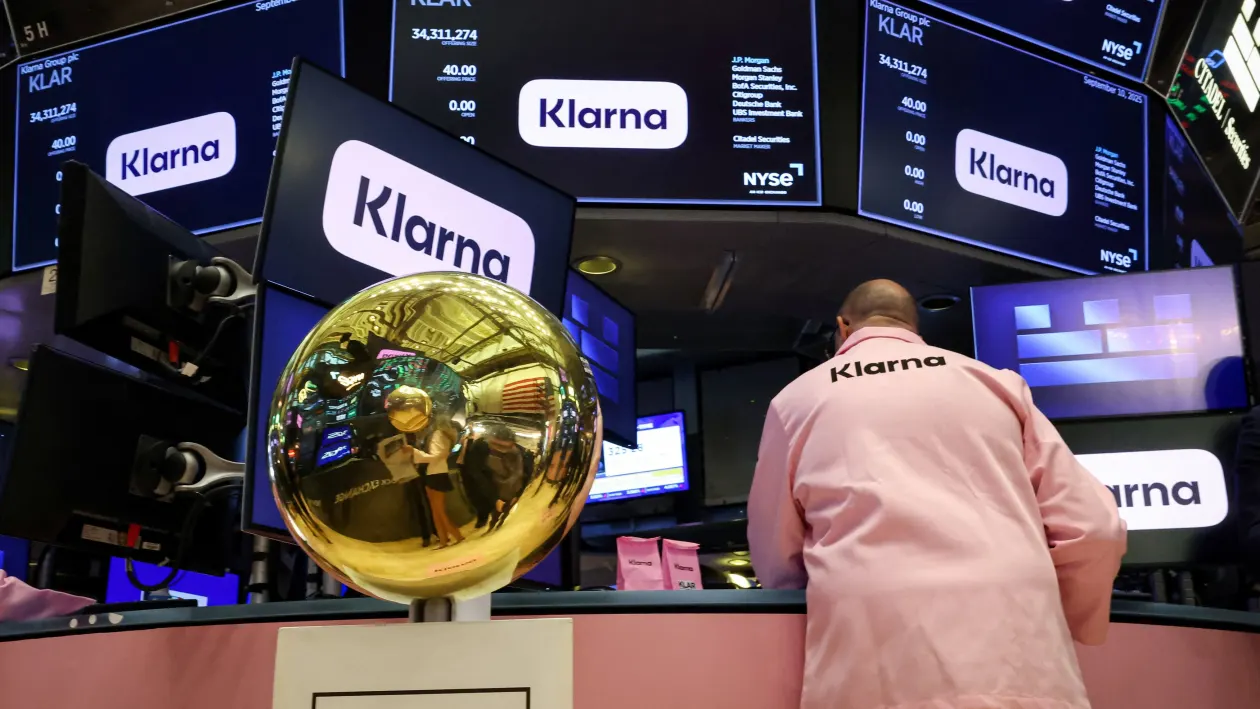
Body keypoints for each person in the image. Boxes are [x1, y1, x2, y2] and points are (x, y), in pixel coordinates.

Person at [748, 279, 1127, 709]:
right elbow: (1095, 528)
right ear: (913, 326)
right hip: (1020, 653)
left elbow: (775, 548)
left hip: (871, 657)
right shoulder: (995, 384)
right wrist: (1064, 618)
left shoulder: (796, 400)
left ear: (842, 327)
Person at [412, 415, 465, 548]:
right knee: (436, 510)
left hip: (435, 473)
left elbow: (435, 456)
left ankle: (456, 535)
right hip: (436, 472)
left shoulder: (438, 434)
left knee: (438, 510)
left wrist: (414, 452)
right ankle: (443, 539)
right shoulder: (446, 436)